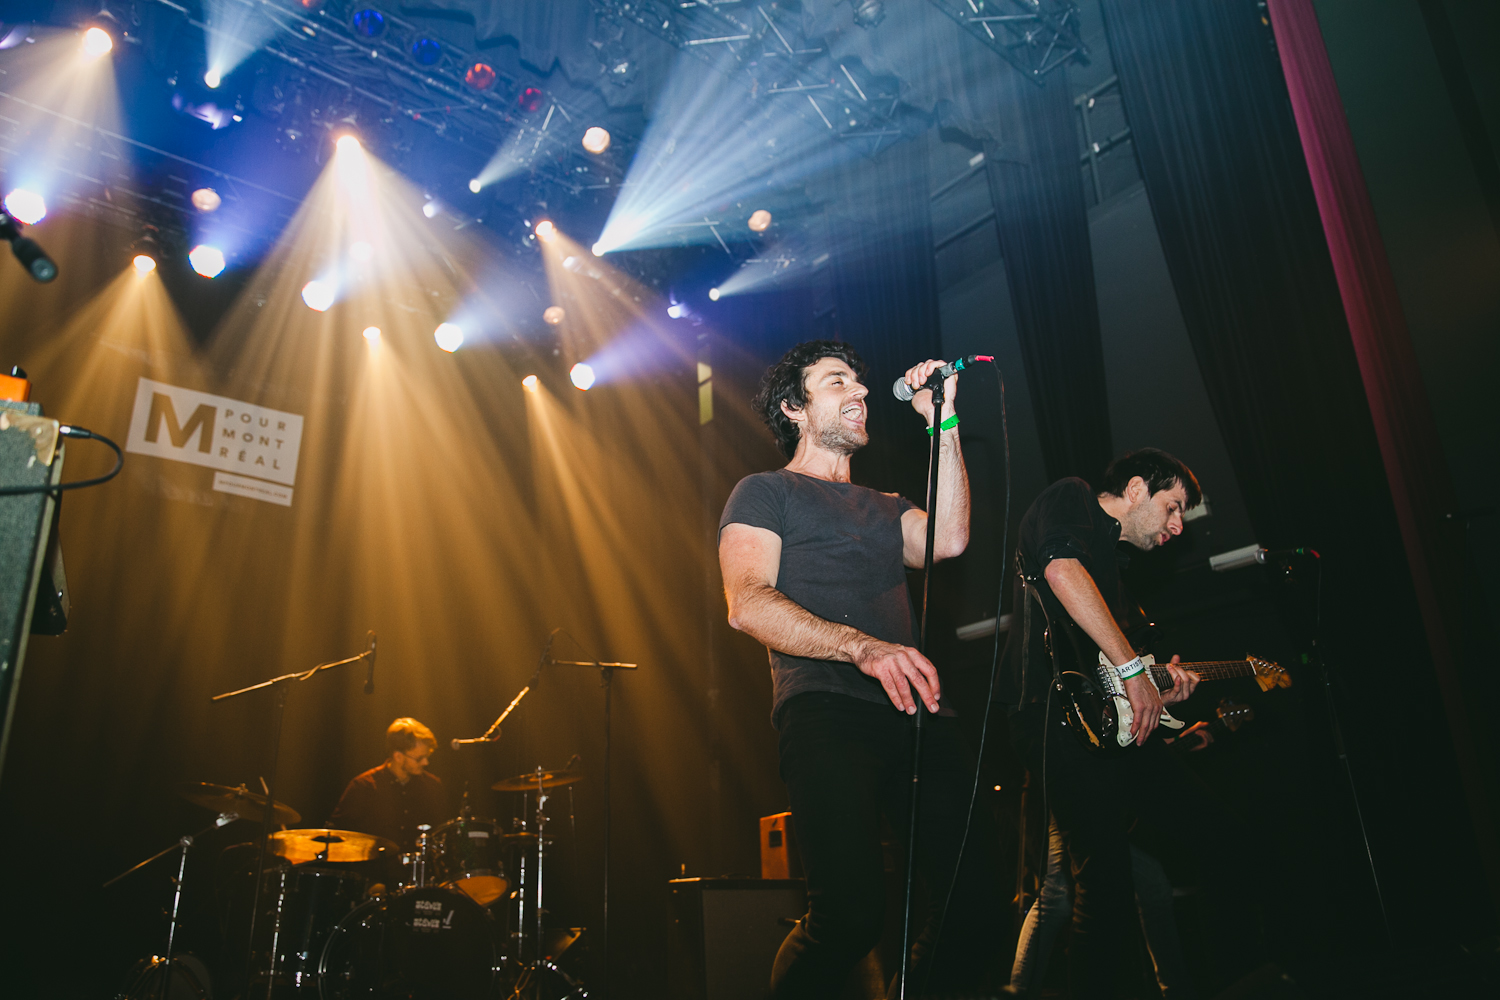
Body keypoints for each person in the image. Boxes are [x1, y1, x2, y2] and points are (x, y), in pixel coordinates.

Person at [719, 340, 1000, 998]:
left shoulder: (886, 503)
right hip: (825, 707)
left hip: (919, 714)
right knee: (848, 919)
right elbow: (747, 603)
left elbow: (949, 540)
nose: (862, 393)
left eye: (862, 384)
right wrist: (861, 647)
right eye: (837, 381)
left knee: (979, 905)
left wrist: (944, 423)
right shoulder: (765, 493)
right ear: (794, 407)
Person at [998, 450, 1255, 997]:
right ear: (1136, 488)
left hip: (1107, 730)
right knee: (1104, 886)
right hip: (1053, 718)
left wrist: (1164, 682)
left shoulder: (1118, 576)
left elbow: (1123, 671)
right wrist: (1135, 668)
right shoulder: (1074, 497)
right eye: (1173, 507)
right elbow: (1061, 569)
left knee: (1222, 837)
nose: (1178, 526)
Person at [330, 717, 447, 850]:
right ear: (398, 756)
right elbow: (337, 833)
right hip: (376, 868)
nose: (426, 763)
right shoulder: (364, 786)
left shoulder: (432, 786)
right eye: (419, 758)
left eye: (427, 756)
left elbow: (442, 832)